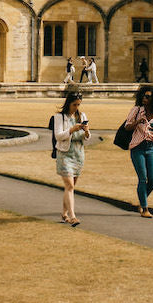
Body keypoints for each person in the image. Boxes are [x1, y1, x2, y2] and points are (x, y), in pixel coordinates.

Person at [123, 84, 153, 218]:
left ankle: (142, 201)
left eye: (147, 97)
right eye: (143, 96)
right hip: (137, 147)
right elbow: (127, 127)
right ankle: (145, 208)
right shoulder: (136, 110)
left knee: (152, 180)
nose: (144, 98)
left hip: (150, 148)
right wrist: (137, 122)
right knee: (143, 178)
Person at [51, 90, 91, 226]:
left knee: (70, 187)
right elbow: (58, 136)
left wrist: (86, 131)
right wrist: (72, 130)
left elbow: (87, 137)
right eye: (74, 104)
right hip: (65, 154)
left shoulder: (82, 115)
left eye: (79, 104)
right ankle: (73, 216)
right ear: (68, 103)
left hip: (78, 154)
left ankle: (64, 214)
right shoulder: (59, 117)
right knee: (69, 185)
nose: (77, 107)